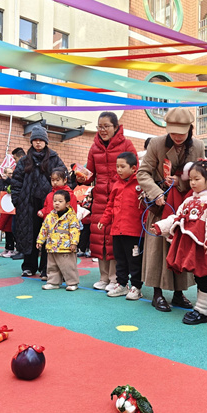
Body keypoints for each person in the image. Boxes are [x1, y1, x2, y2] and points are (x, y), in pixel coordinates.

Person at [137, 107, 205, 312]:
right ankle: (157, 293)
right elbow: (143, 173)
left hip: (186, 207)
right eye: (173, 132)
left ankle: (178, 293)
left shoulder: (198, 146)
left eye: (181, 133)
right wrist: (156, 192)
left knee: (182, 247)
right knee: (157, 250)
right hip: (161, 204)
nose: (177, 137)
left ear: (190, 129)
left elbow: (202, 175)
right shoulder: (156, 144)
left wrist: (181, 182)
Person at [154, 160, 207, 324]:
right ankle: (201, 309)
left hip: (205, 246)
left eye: (197, 179)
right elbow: (177, 217)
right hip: (194, 247)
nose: (192, 182)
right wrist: (161, 226)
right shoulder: (188, 200)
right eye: (190, 179)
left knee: (205, 277)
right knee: (199, 276)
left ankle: (203, 311)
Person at [77, 111, 137, 292]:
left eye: (106, 126)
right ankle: (103, 277)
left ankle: (115, 278)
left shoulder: (126, 144)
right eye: (100, 127)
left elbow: (136, 170)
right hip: (100, 198)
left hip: (121, 197)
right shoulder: (94, 147)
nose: (102, 130)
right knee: (99, 237)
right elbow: (90, 175)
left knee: (114, 238)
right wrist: (81, 177)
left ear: (116, 127)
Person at [11, 125, 65, 278]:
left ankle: (46, 267)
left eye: (41, 140)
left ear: (46, 141)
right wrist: (17, 200)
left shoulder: (54, 158)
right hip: (27, 204)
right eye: (35, 140)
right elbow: (16, 182)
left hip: (49, 204)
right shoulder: (24, 160)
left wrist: (60, 200)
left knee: (49, 234)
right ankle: (29, 266)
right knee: (30, 234)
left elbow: (63, 177)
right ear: (31, 141)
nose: (38, 142)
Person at [98, 152, 146, 300]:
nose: (119, 169)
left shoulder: (140, 184)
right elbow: (110, 205)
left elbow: (146, 207)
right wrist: (104, 220)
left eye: (122, 166)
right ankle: (122, 284)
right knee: (120, 259)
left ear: (133, 168)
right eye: (117, 166)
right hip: (117, 230)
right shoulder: (117, 184)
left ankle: (136, 287)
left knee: (134, 261)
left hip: (134, 231)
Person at [36, 189, 80, 291]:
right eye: (55, 201)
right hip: (52, 246)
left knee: (68, 266)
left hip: (66, 247)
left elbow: (75, 230)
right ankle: (53, 282)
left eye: (60, 201)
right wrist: (40, 240)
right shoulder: (50, 216)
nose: (57, 203)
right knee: (52, 266)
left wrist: (74, 242)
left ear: (67, 203)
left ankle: (72, 282)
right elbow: (44, 228)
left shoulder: (71, 217)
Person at [0, 167, 16, 258]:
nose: (10, 175)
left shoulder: (13, 182)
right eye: (9, 173)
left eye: (12, 173)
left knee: (10, 229)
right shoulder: (0, 182)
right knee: (6, 229)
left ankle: (11, 248)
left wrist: (7, 180)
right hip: (5, 208)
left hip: (12, 209)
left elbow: (13, 187)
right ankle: (7, 248)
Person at [77, 189, 93, 257]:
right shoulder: (84, 201)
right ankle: (82, 249)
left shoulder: (93, 203)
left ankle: (89, 250)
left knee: (90, 237)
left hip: (90, 221)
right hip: (84, 221)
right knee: (83, 236)